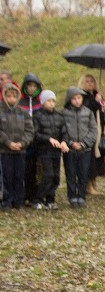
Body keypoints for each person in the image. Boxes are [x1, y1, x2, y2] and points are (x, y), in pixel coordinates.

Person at [60, 87, 97, 208]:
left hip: (85, 149)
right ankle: (72, 196)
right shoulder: (64, 113)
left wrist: (84, 144)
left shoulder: (88, 112)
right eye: (74, 98)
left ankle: (81, 195)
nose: (77, 100)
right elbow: (62, 130)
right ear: (69, 99)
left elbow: (93, 130)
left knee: (83, 173)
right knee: (70, 173)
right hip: (70, 149)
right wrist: (70, 142)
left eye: (79, 98)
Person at [31, 90, 67, 210]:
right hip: (44, 149)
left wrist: (63, 141)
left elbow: (64, 132)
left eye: (53, 101)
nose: (51, 103)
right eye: (48, 101)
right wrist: (48, 139)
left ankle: (50, 199)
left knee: (56, 177)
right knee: (48, 175)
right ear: (43, 102)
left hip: (56, 151)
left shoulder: (59, 116)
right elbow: (35, 134)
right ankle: (38, 198)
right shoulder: (37, 115)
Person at [0, 83, 34, 209]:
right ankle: (7, 200)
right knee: (7, 176)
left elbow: (30, 131)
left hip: (20, 150)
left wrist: (22, 143)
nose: (11, 99)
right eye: (8, 96)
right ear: (4, 96)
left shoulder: (23, 113)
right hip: (5, 150)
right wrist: (8, 142)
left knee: (19, 176)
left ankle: (18, 200)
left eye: (14, 96)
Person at [79, 74, 105, 197]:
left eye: (92, 81)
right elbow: (87, 109)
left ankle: (94, 182)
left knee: (97, 159)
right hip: (88, 131)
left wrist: (102, 104)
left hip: (99, 130)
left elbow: (103, 113)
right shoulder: (82, 96)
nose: (90, 83)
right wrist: (96, 102)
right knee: (89, 159)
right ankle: (88, 184)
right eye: (87, 81)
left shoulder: (96, 95)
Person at [18, 73, 42, 206]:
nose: (32, 88)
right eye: (29, 85)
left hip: (37, 140)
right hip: (24, 139)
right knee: (24, 169)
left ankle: (33, 195)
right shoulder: (20, 103)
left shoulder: (40, 103)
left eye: (34, 86)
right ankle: (23, 194)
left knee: (35, 169)